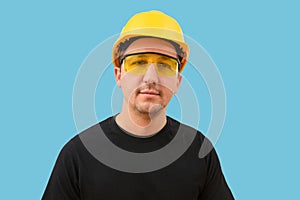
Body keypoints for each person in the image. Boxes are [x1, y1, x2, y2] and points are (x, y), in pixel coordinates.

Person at [42, 10, 234, 200]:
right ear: (118, 75)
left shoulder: (199, 151)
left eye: (165, 65)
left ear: (178, 81)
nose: (151, 78)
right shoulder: (78, 155)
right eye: (139, 62)